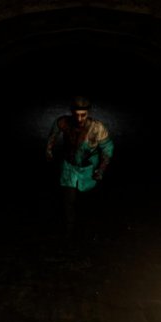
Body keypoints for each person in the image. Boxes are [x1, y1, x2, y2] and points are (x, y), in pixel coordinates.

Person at [45, 96, 114, 237]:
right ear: (72, 112)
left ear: (88, 113)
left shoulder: (97, 128)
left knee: (86, 201)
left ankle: (86, 229)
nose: (79, 119)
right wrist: (49, 150)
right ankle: (69, 231)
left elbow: (107, 148)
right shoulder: (64, 122)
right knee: (68, 200)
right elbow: (53, 134)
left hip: (88, 168)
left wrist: (101, 169)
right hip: (69, 167)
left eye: (83, 115)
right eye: (76, 115)